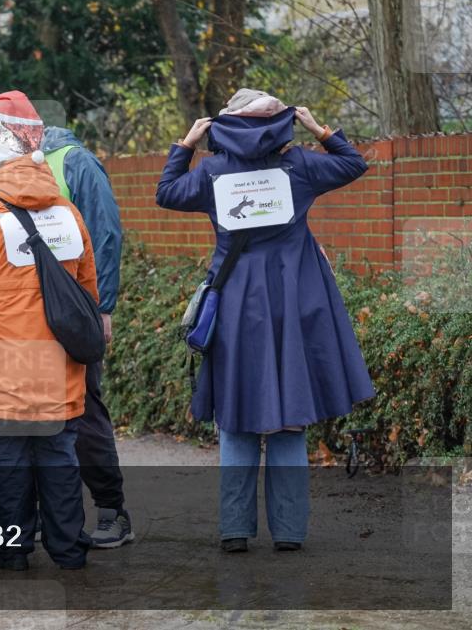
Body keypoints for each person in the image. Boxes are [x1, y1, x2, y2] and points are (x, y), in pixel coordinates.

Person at [156, 89, 375, 552]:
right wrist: (322, 130)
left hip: (237, 303)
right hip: (297, 300)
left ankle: (235, 530)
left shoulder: (212, 172)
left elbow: (166, 193)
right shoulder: (300, 165)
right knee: (291, 417)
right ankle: (290, 533)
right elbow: (355, 164)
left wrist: (186, 145)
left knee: (236, 416)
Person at [0, 103, 98, 571]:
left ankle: (11, 553)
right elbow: (87, 290)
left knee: (5, 464)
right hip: (59, 365)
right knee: (59, 460)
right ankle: (69, 551)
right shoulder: (69, 212)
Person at [35, 97, 132, 548]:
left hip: (75, 312)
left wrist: (103, 306)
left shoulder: (75, 163)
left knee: (85, 411)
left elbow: (106, 233)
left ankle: (112, 511)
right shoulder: (5, 171)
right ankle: (40, 515)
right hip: (26, 318)